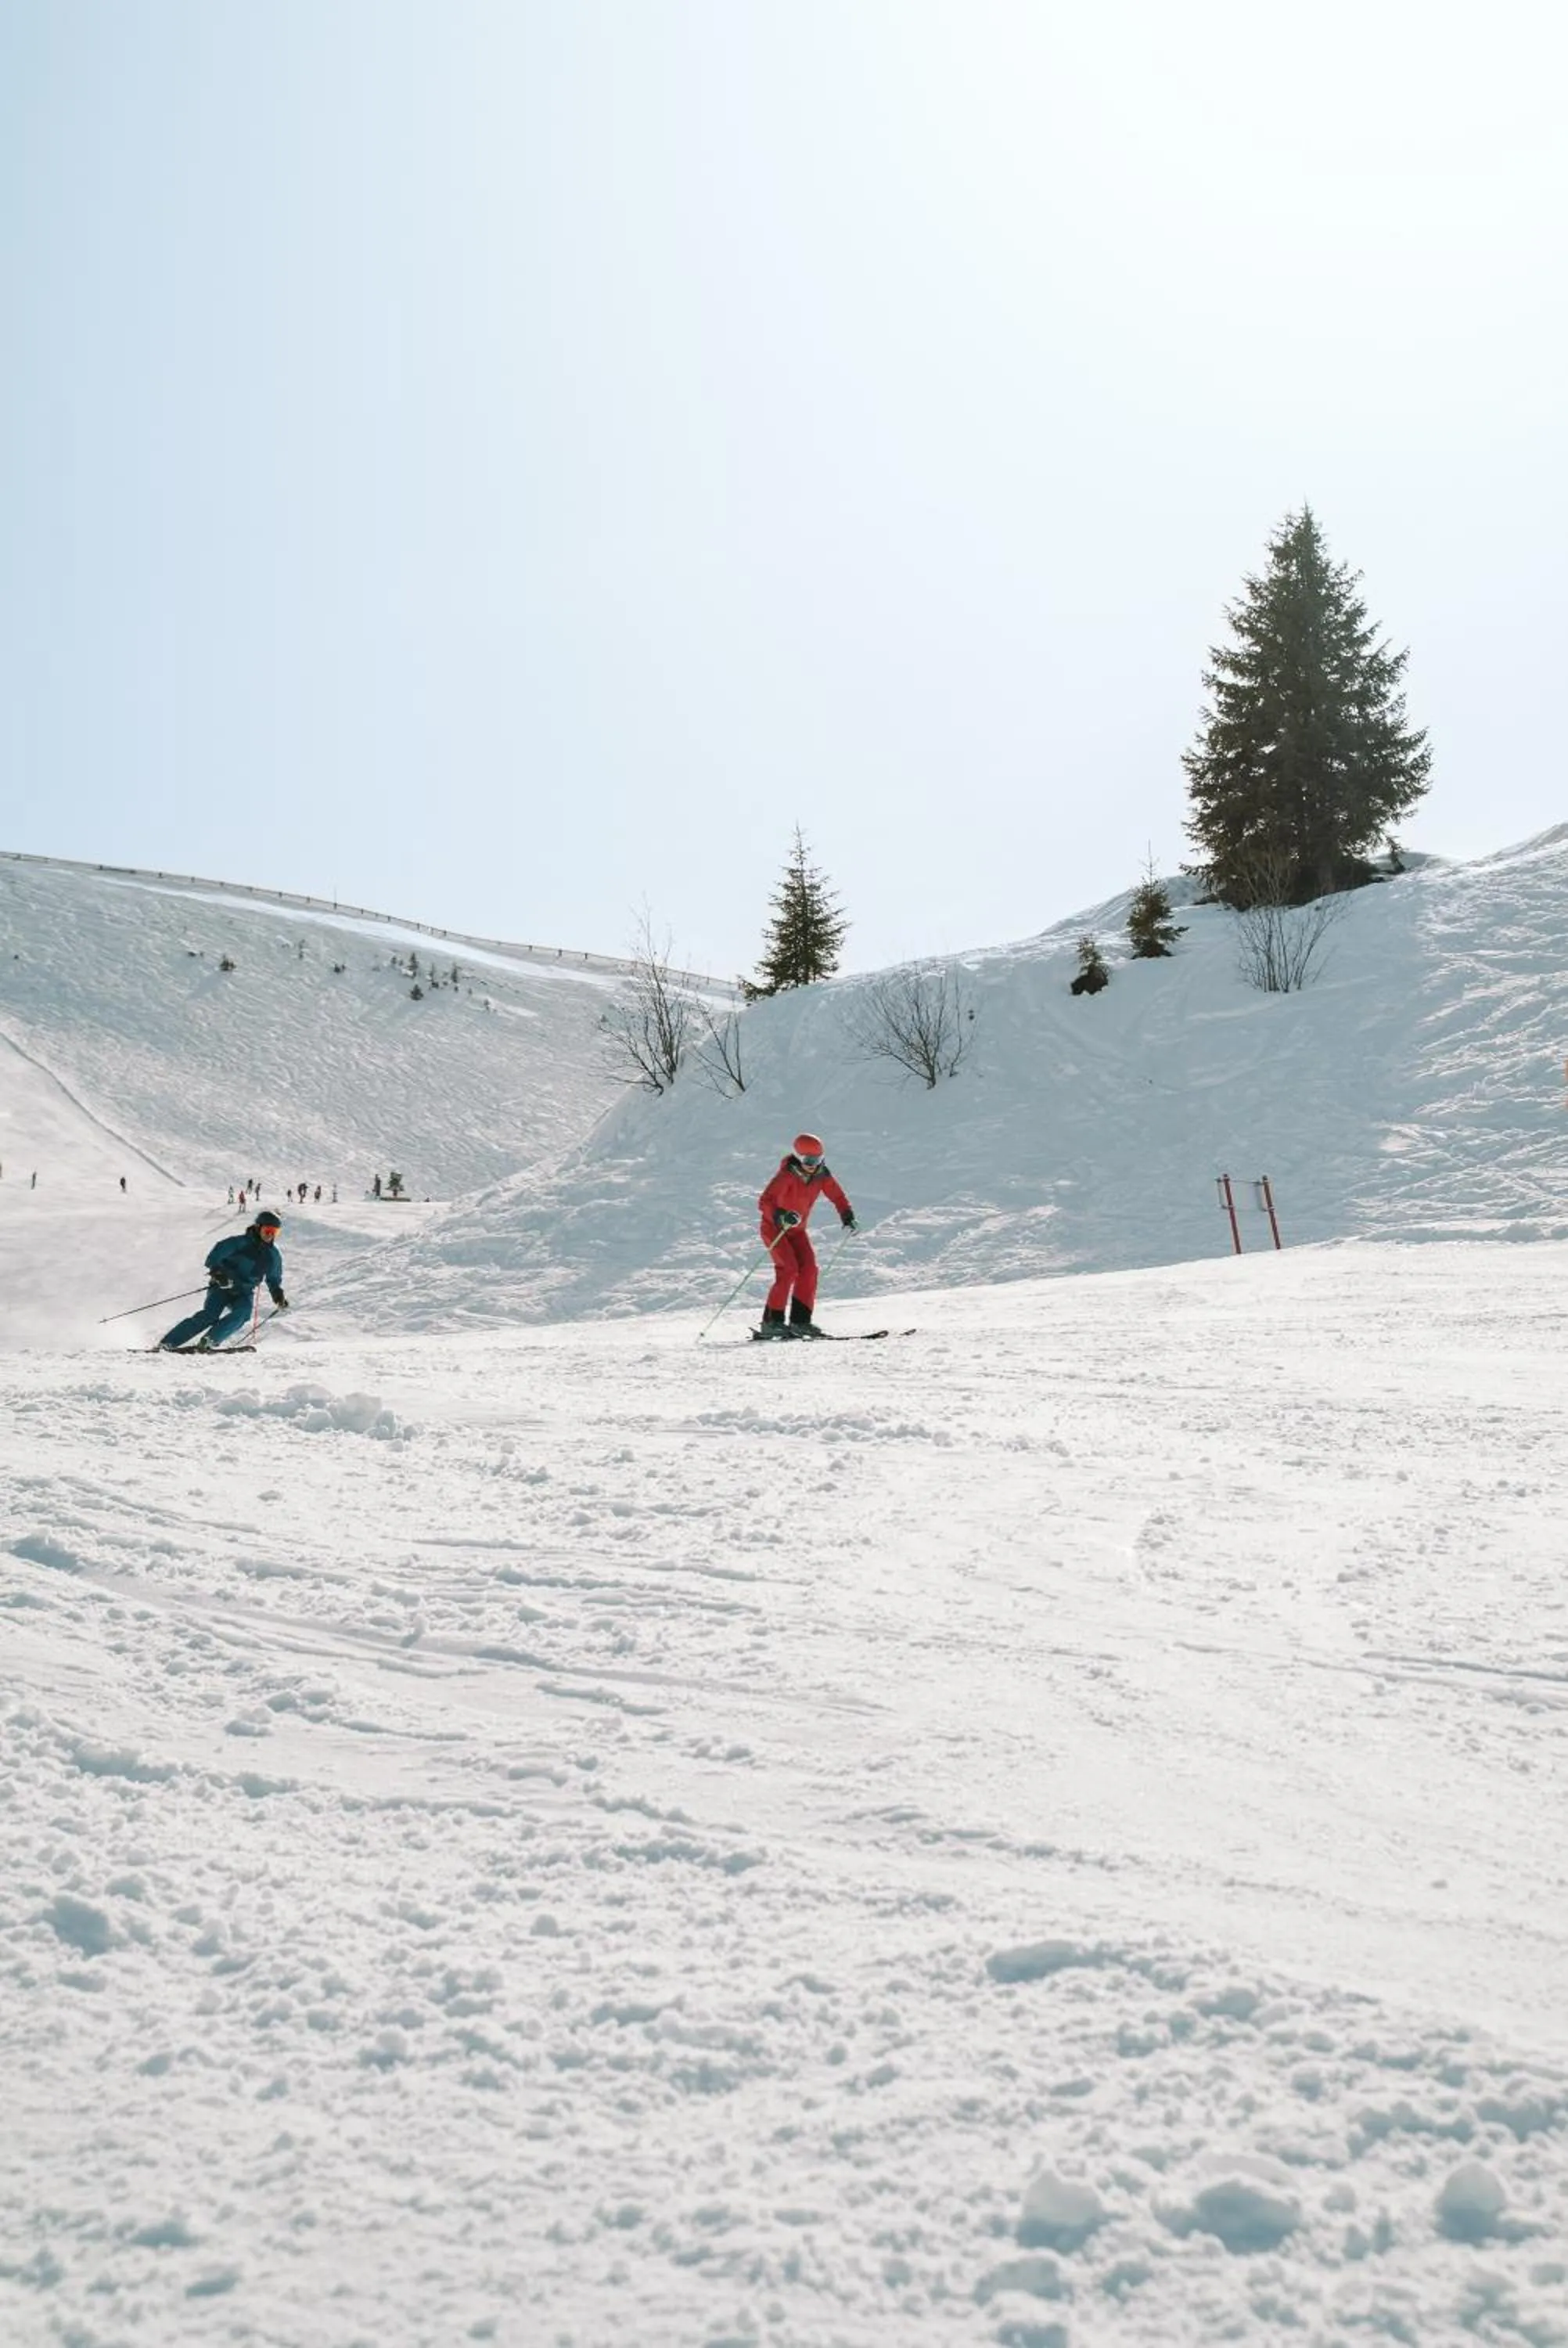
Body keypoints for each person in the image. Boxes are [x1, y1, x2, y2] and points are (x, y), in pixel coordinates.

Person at [756, 1133, 857, 1338]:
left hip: (797, 1231)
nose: (813, 1165)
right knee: (789, 1269)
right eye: (809, 1161)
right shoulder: (787, 1176)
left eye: (818, 1160)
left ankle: (800, 1322)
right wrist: (781, 1215)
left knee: (809, 1270)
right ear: (798, 1157)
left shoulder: (821, 1175)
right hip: (775, 1229)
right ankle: (771, 1323)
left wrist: (847, 1215)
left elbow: (837, 1195)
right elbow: (765, 1202)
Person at [157, 1211, 290, 1352]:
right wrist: (218, 1274)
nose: (270, 1235)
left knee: (243, 1314)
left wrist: (277, 1295)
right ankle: (168, 1343)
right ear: (258, 1228)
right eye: (267, 1230)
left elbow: (273, 1279)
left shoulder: (273, 1256)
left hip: (244, 1292)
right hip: (222, 1287)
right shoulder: (239, 1243)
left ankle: (209, 1341)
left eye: (275, 1232)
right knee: (209, 1316)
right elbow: (214, 1257)